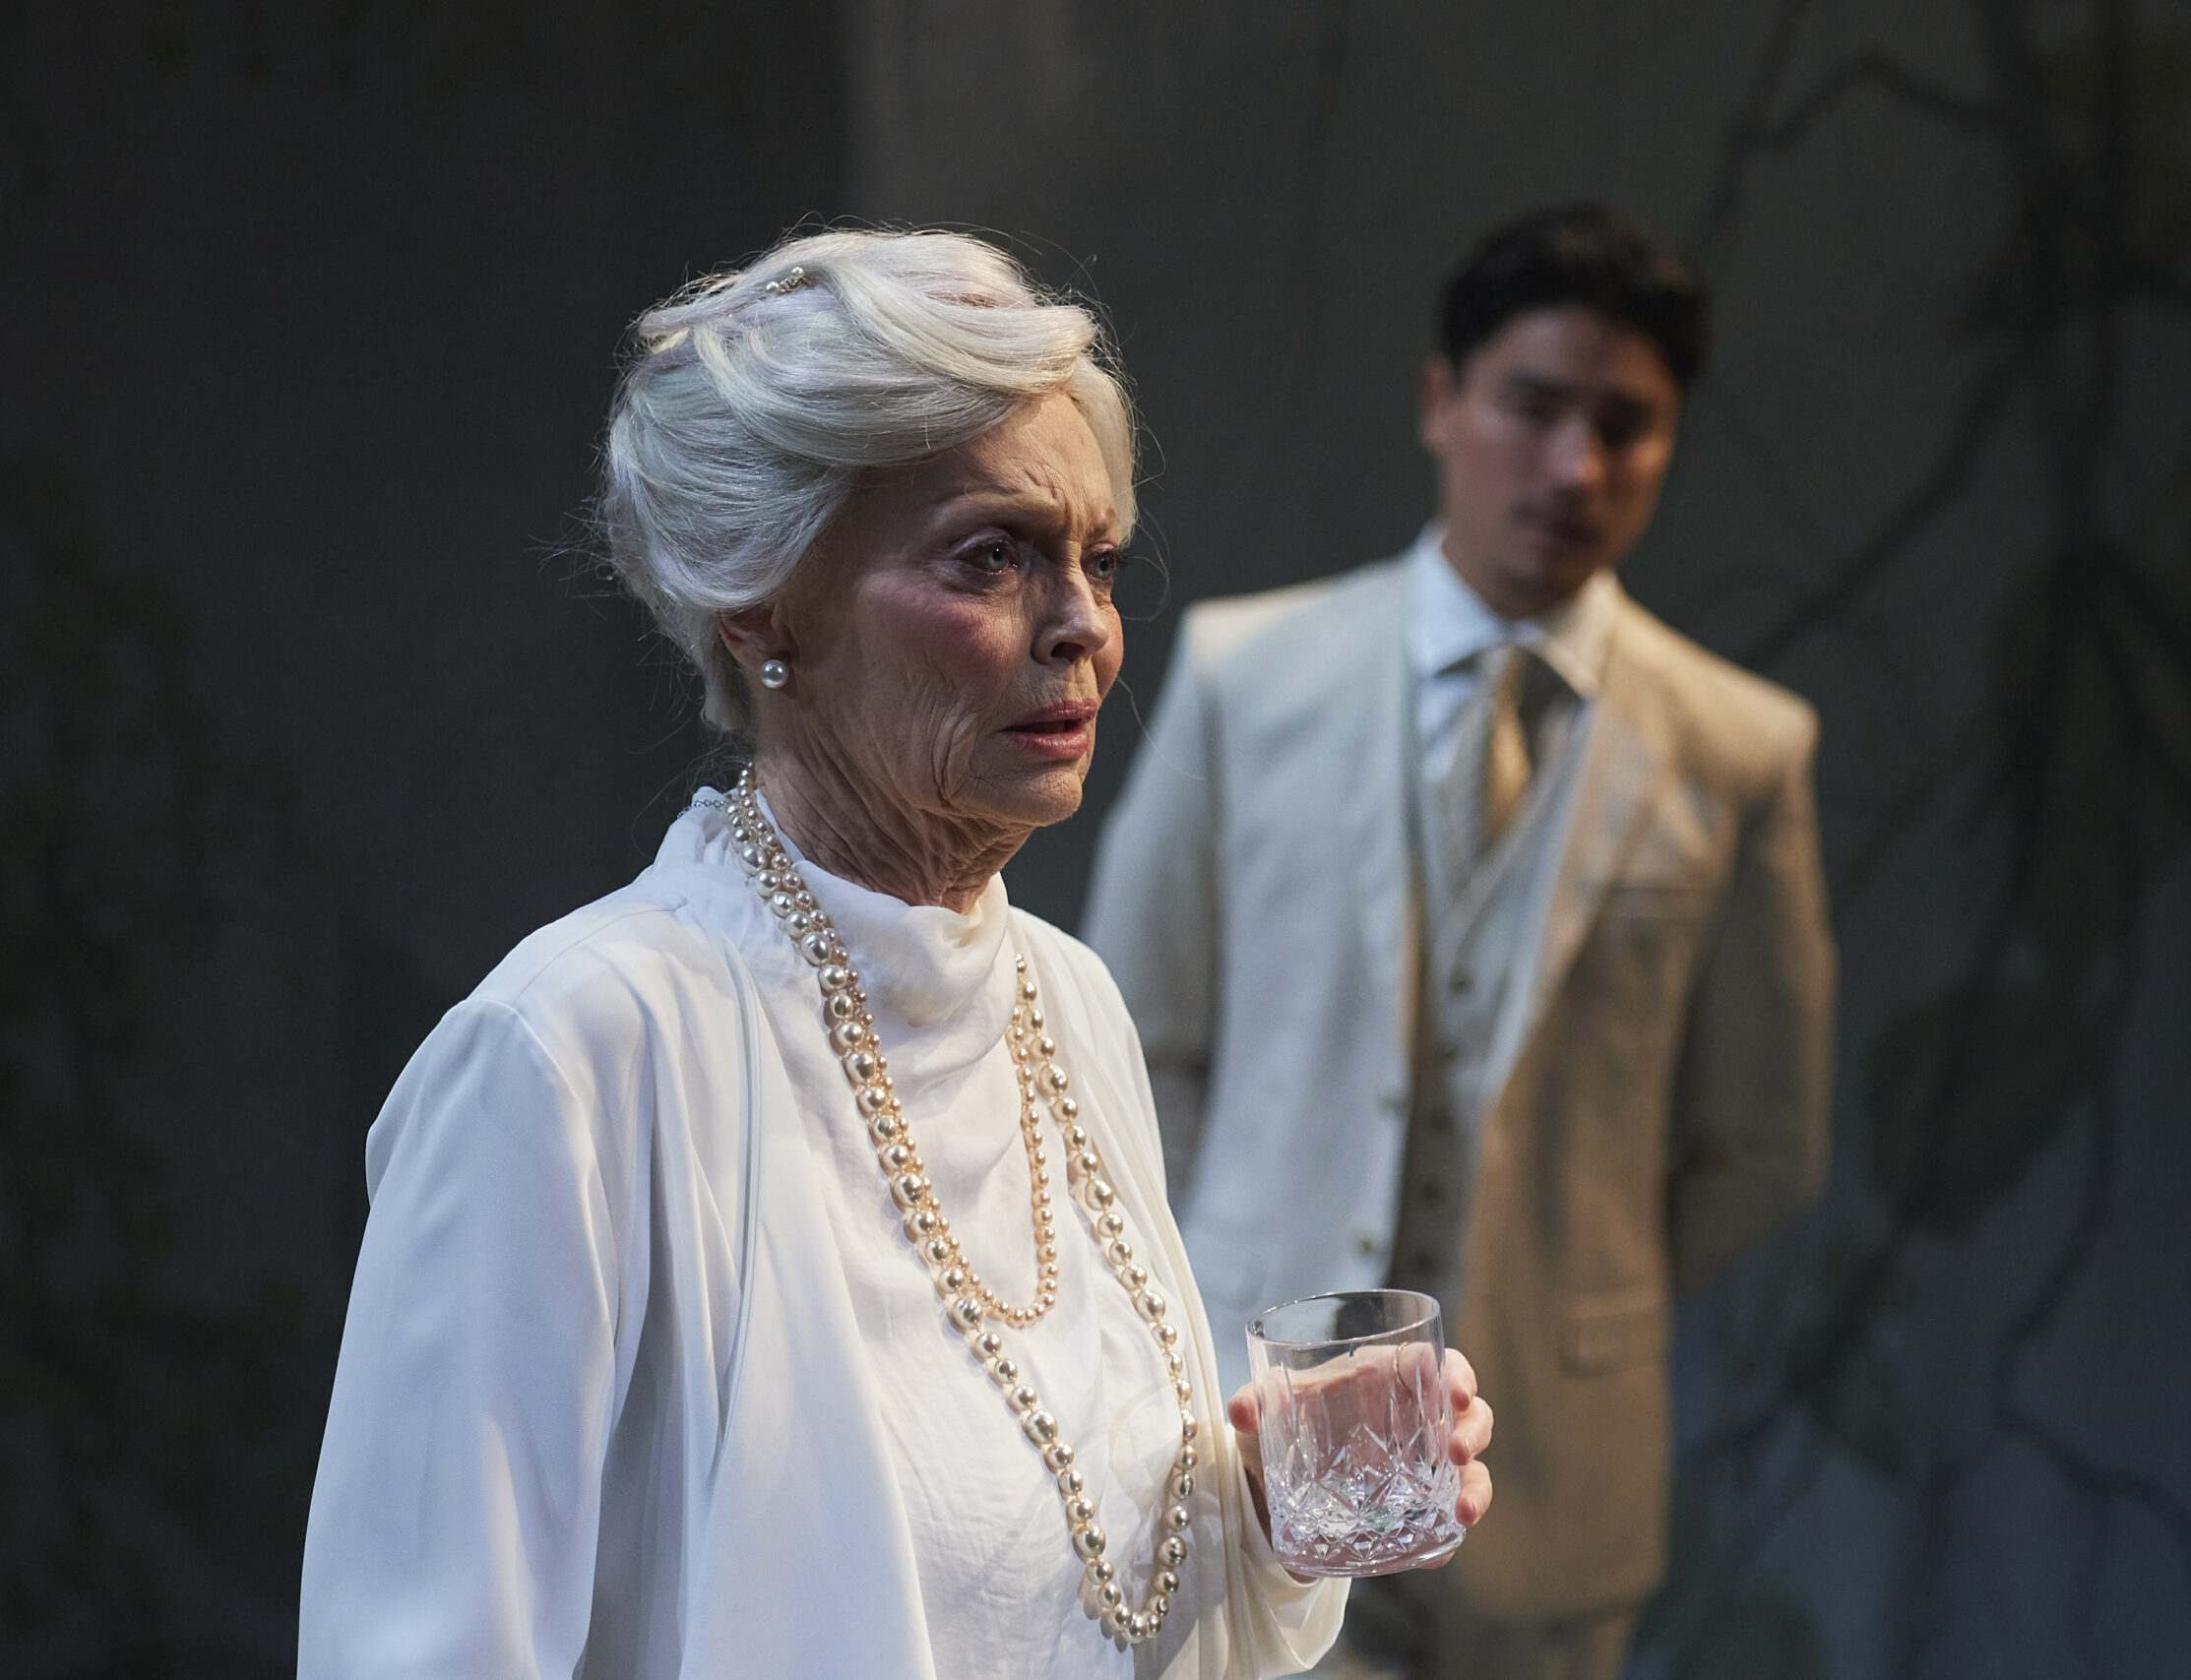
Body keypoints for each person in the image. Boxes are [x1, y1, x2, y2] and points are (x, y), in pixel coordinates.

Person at [298, 229, 1495, 1680]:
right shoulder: (573, 1055)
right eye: (991, 556)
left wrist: (1258, 1513)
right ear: (761, 605)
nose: (1086, 630)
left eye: (1098, 559)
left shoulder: (1068, 1000)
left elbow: (1070, 1598)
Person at [1082, 205, 1836, 1680]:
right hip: (1248, 1449)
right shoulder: (1253, 677)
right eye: (1534, 406)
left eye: (1627, 424)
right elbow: (1132, 1041)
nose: (1575, 466)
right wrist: (1220, 1295)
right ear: (1442, 401)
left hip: (1557, 1483)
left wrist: (1566, 1285)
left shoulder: (1743, 748)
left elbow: (1763, 1145)